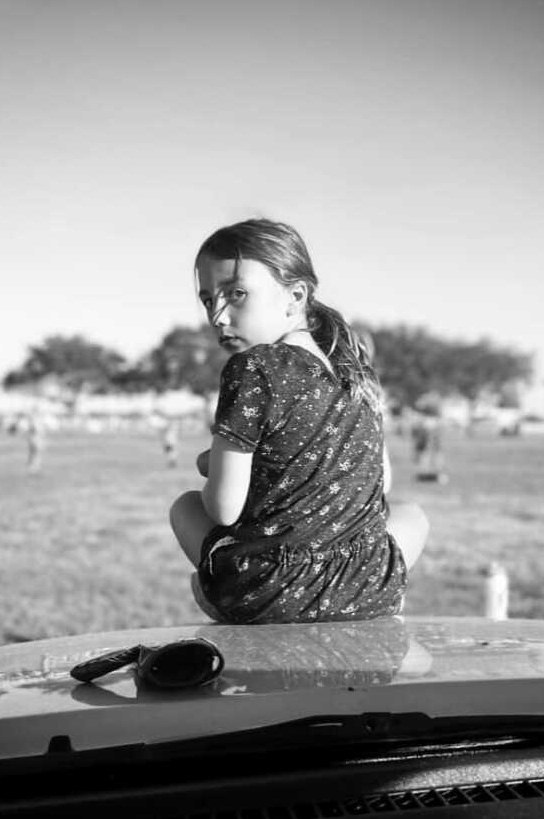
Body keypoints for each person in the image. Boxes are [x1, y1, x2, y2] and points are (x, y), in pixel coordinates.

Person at [169, 218, 429, 624]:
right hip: (366, 587)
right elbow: (383, 481)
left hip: (270, 591)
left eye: (236, 294)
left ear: (295, 296)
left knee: (185, 507)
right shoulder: (353, 367)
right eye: (207, 300)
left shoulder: (252, 366)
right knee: (412, 515)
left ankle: (214, 589)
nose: (217, 316)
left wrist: (217, 467)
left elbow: (222, 508)